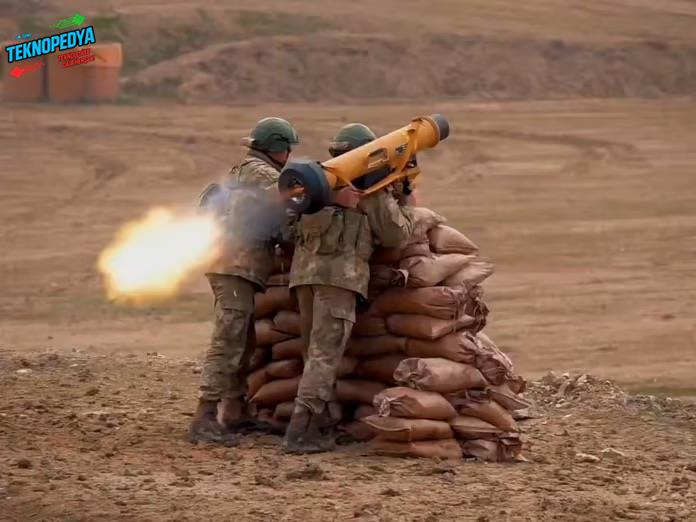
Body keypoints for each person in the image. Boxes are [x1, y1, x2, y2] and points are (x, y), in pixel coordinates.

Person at [283, 123, 416, 453]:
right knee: (324, 357)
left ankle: (321, 422)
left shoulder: (315, 186)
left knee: (312, 353)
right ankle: (300, 431)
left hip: (304, 279)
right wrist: (406, 199)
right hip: (339, 281)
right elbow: (396, 235)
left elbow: (286, 226)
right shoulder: (369, 188)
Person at [189, 117, 299, 443]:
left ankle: (236, 411)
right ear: (278, 148)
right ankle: (205, 415)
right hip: (236, 266)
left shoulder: (241, 172)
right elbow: (287, 211)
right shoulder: (266, 176)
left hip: (229, 264)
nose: (290, 155)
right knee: (229, 339)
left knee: (245, 340)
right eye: (287, 148)